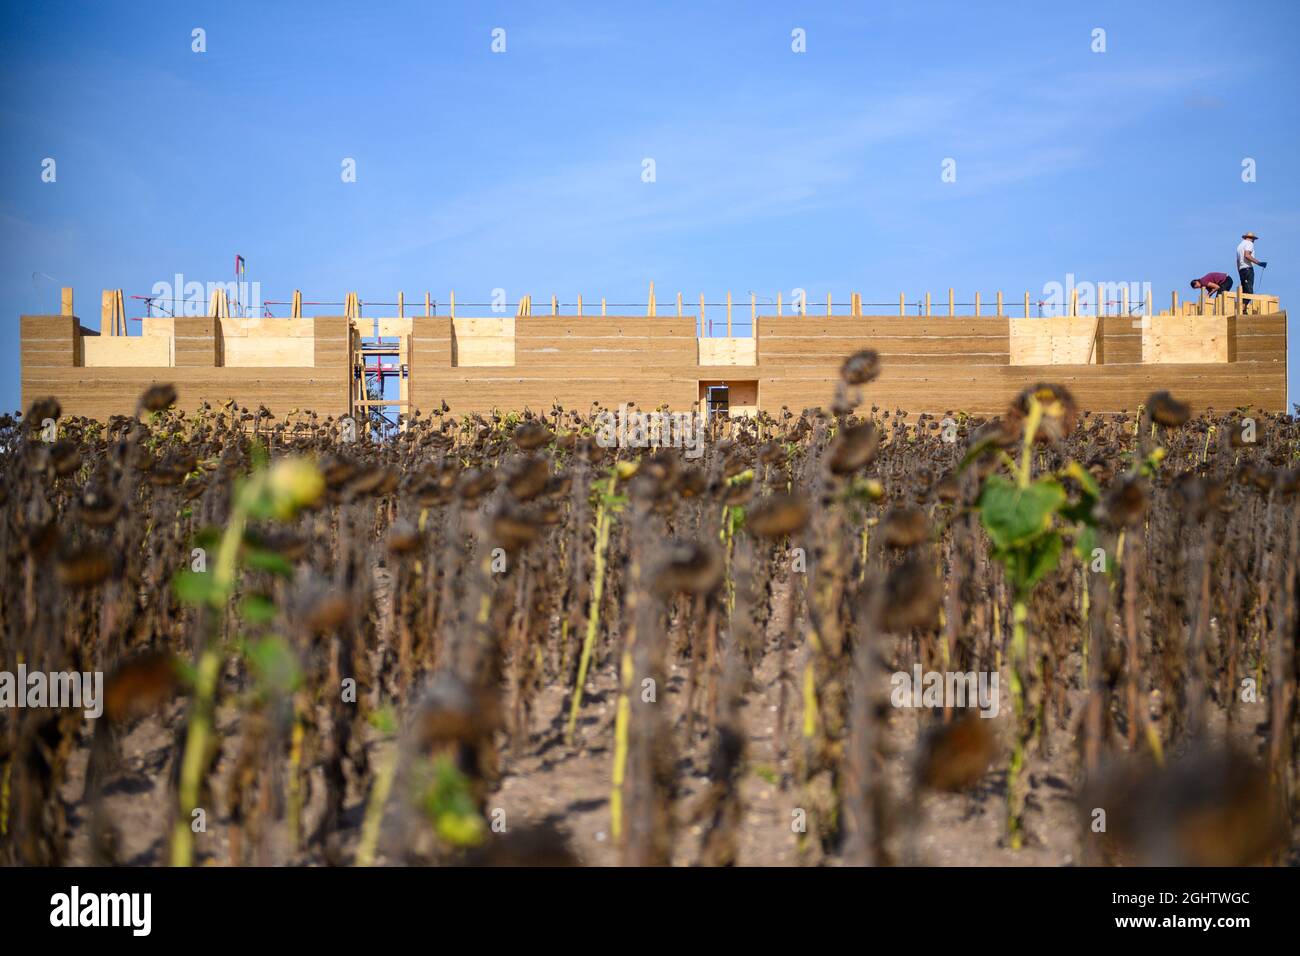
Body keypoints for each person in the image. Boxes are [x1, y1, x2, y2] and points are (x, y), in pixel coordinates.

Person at [1236, 231, 1267, 312]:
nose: (1254, 241)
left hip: (1242, 269)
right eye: (1254, 239)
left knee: (1244, 290)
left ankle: (1243, 309)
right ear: (1251, 238)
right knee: (1249, 291)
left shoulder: (1239, 246)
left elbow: (1237, 261)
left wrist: (1239, 270)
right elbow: (1247, 255)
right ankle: (1243, 309)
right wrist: (1259, 263)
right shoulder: (1249, 244)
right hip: (1247, 269)